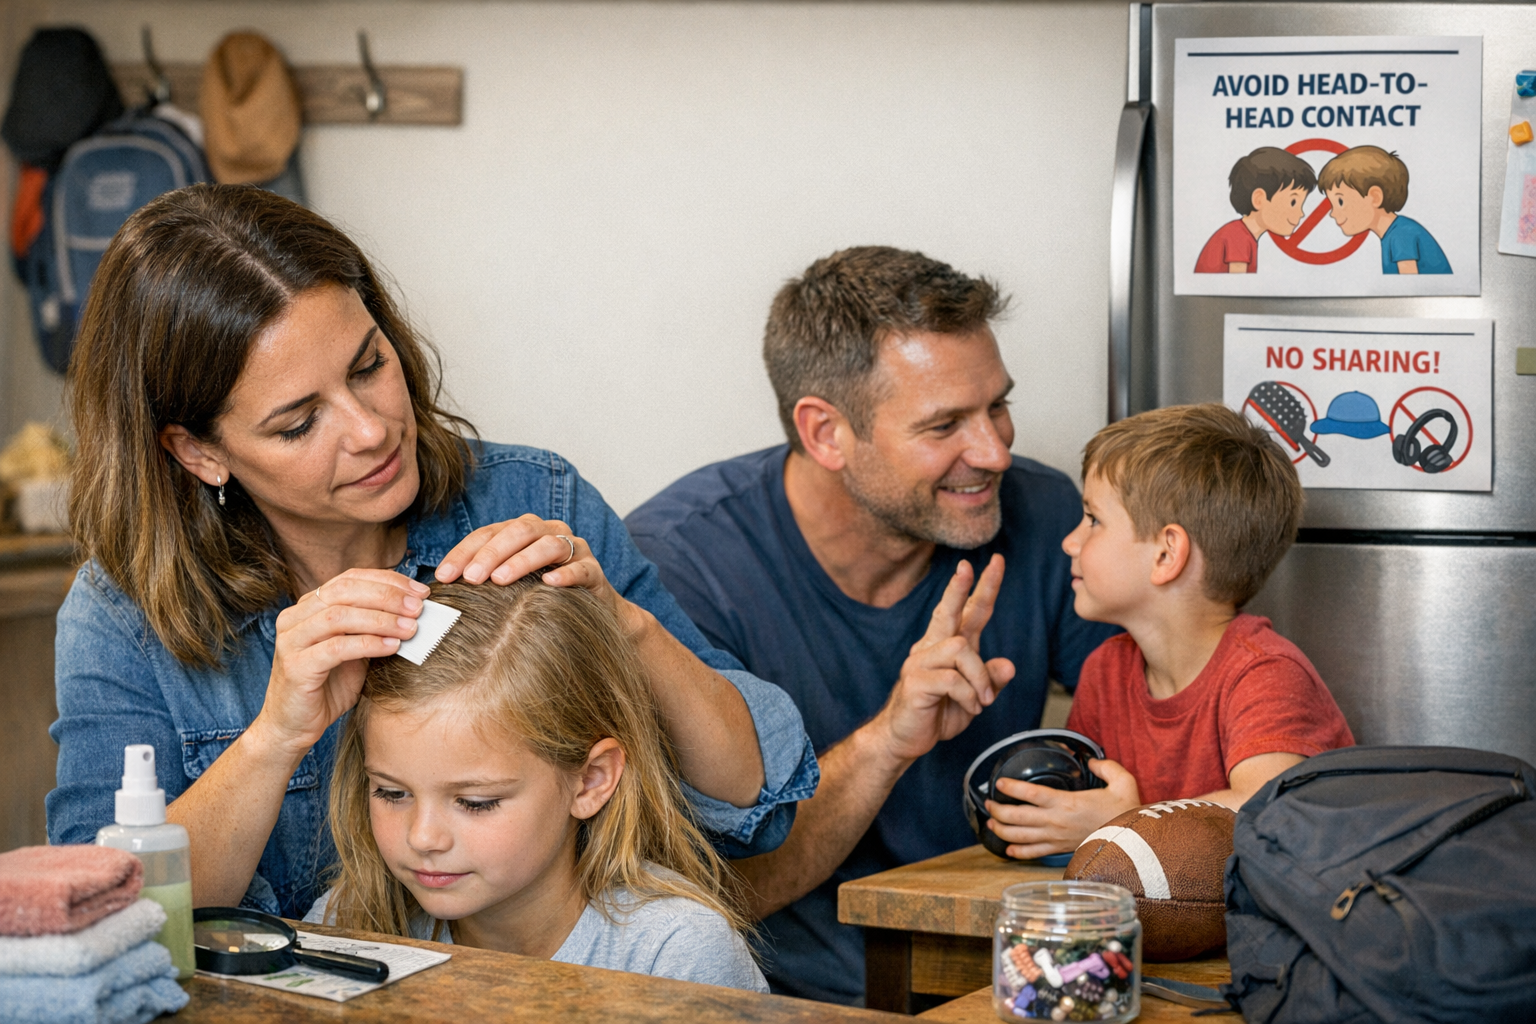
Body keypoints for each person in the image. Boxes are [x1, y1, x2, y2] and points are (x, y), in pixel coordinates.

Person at [46, 184, 817, 924]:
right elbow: (109, 922)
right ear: (198, 452)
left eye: (368, 367)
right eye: (297, 423)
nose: (371, 429)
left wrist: (624, 625)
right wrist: (275, 735)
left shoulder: (534, 498)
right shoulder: (124, 615)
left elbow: (761, 796)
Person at [624, 246, 1117, 1004]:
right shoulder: (679, 572)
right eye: (944, 424)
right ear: (825, 433)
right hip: (782, 1002)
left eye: (998, 406)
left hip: (1009, 987)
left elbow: (1176, 726)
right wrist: (893, 737)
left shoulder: (1051, 520)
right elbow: (696, 902)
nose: (993, 451)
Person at [306, 576, 766, 991]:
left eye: (475, 802)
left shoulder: (676, 953)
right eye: (391, 792)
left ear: (591, 780)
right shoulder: (349, 921)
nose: (422, 837)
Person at [985, 404, 1355, 858]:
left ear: (1166, 554)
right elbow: (1086, 803)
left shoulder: (1264, 674)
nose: (1070, 541)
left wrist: (1122, 824)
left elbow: (1265, 814)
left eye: (1093, 520)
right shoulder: (1106, 669)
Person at [1320, 145, 1451, 275]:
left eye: (1340, 202)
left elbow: (1408, 285)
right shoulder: (1392, 234)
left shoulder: (1401, 234)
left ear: (1375, 197)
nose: (1332, 213)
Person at [1194, 147, 1317, 274]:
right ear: (1259, 199)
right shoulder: (1238, 237)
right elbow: (1238, 286)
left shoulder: (1243, 234)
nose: (1301, 213)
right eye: (1293, 202)